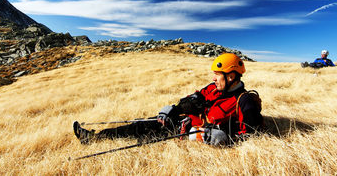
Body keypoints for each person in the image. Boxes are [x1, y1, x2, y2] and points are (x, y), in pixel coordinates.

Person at [73, 53, 264, 146]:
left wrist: (225, 140)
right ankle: (93, 137)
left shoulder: (244, 101)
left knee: (144, 134)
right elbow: (194, 99)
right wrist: (172, 108)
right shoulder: (213, 89)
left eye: (217, 74)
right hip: (183, 122)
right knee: (141, 125)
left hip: (194, 135)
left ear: (231, 77)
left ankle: (95, 138)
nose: (214, 78)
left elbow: (251, 134)